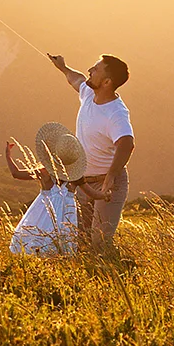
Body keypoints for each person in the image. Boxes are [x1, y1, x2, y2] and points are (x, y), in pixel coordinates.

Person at [47, 52, 135, 257]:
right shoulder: (88, 94)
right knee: (81, 240)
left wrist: (111, 176)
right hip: (83, 183)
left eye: (95, 69)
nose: (90, 70)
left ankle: (119, 275)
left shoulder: (116, 113)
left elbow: (126, 143)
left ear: (106, 82)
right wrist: (63, 67)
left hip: (108, 184)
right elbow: (76, 79)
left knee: (99, 242)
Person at [5, 122, 85, 255]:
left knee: (36, 245)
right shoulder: (75, 178)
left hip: (41, 216)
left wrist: (8, 156)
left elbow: (16, 173)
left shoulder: (45, 173)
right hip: (66, 221)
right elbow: (93, 194)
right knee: (63, 250)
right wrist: (105, 194)